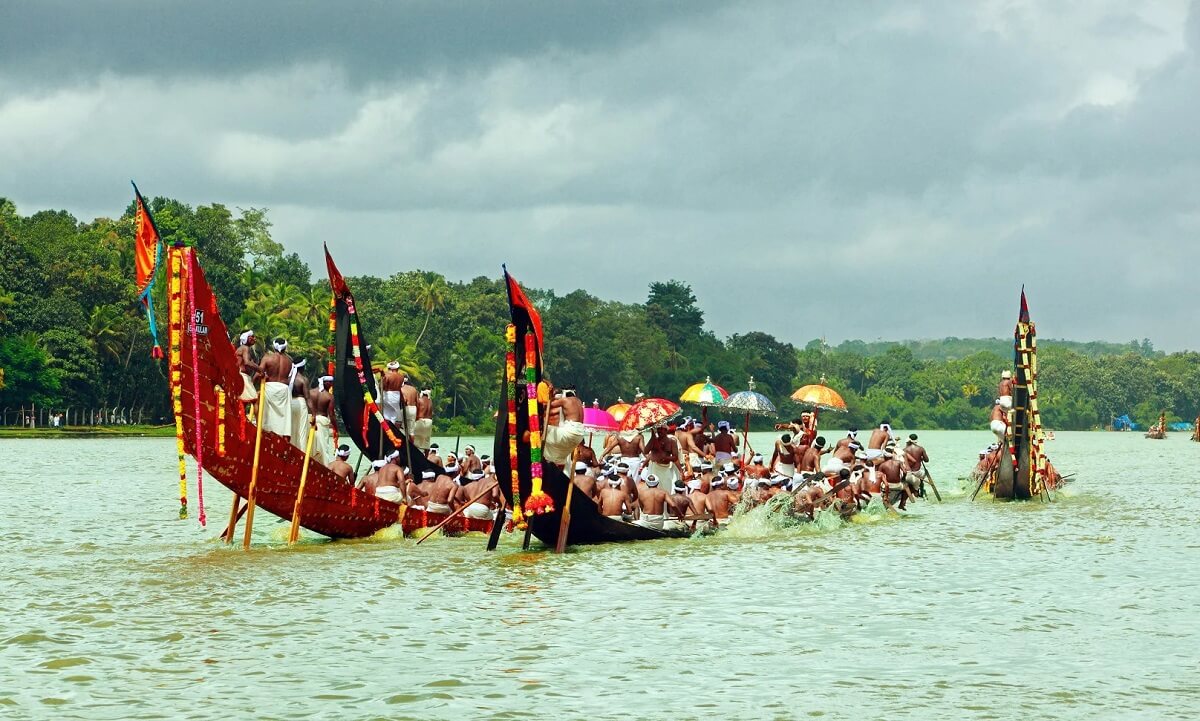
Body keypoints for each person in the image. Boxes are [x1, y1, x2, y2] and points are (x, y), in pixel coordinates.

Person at [258, 337, 295, 438]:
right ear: (285, 347)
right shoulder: (289, 361)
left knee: (267, 416)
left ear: (274, 346)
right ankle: (283, 439)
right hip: (284, 389)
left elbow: (259, 372)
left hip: (270, 388)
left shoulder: (267, 358)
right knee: (284, 419)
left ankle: (265, 437)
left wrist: (252, 384)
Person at [544, 385, 586, 466]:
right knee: (560, 455)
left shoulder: (565, 400)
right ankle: (557, 466)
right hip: (579, 436)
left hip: (570, 432)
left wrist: (551, 396)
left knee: (541, 429)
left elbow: (548, 405)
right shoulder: (579, 401)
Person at [309, 375, 337, 465]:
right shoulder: (329, 396)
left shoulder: (310, 392)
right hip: (321, 421)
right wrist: (336, 427)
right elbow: (331, 415)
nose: (331, 385)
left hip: (311, 419)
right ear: (326, 383)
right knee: (323, 447)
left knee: (311, 446)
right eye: (330, 383)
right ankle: (324, 465)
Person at [288, 360, 312, 449]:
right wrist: (313, 414)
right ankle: (301, 451)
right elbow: (308, 398)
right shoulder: (303, 380)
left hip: (290, 403)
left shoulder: (288, 378)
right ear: (303, 367)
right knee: (302, 430)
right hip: (301, 404)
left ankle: (290, 450)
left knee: (290, 429)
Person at [235, 330, 260, 402]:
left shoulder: (244, 348)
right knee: (254, 400)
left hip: (242, 377)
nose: (255, 339)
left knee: (245, 401)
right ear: (247, 337)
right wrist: (260, 370)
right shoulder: (245, 348)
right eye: (252, 336)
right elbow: (247, 362)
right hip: (242, 377)